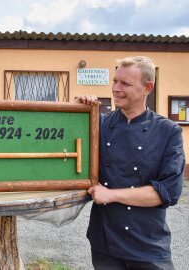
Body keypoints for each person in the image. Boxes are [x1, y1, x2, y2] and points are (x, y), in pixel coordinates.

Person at [76, 56, 185, 269]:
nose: (116, 88)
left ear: (148, 87)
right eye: (115, 81)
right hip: (104, 243)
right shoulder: (99, 124)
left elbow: (168, 192)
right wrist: (77, 112)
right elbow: (67, 151)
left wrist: (111, 194)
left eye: (125, 83)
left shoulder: (168, 131)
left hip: (148, 245)